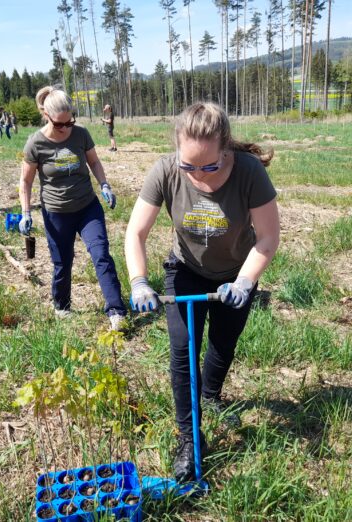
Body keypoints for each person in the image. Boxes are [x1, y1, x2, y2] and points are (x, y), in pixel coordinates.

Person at [124, 102, 280, 483]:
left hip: (236, 272)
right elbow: (136, 233)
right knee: (182, 349)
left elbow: (268, 237)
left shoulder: (248, 172)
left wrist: (245, 282)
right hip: (186, 270)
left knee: (223, 342)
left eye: (209, 167)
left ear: (225, 149)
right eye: (188, 166)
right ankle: (188, 437)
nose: (198, 175)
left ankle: (210, 394)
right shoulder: (164, 170)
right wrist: (139, 280)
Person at [19, 86, 126, 330]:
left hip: (87, 207)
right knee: (62, 262)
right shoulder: (35, 143)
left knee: (101, 255)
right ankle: (62, 305)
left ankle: (117, 311)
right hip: (56, 213)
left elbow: (94, 162)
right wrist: (26, 212)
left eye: (70, 122)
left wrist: (105, 185)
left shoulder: (81, 134)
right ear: (46, 116)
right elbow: (25, 181)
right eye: (60, 124)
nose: (66, 128)